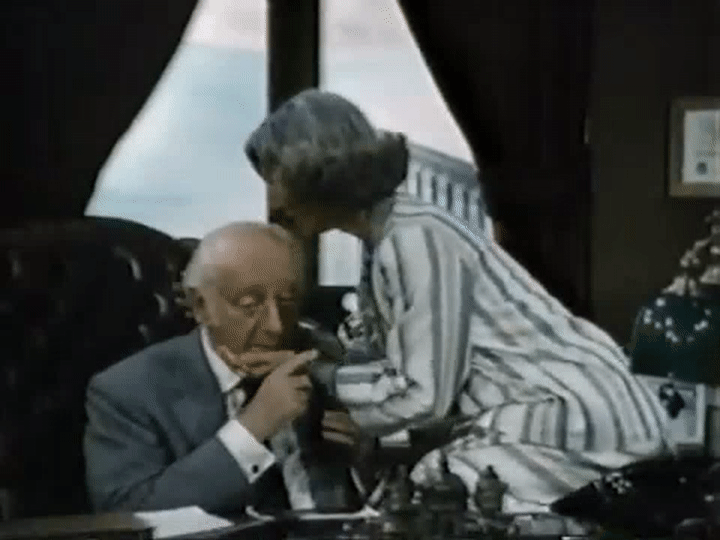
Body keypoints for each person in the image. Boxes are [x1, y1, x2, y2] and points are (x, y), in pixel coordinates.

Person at [244, 89, 670, 509]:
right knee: (421, 498)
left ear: (315, 172)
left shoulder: (415, 238)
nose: (274, 202)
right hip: (552, 417)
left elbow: (423, 394)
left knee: (430, 499)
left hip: (579, 421)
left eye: (275, 180)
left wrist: (321, 374)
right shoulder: (387, 237)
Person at [83, 222, 362, 514]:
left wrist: (363, 458)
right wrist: (255, 425)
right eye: (249, 304)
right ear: (201, 306)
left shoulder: (323, 360)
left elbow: (361, 494)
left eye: (287, 301)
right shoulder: (127, 390)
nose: (275, 325)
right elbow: (126, 512)